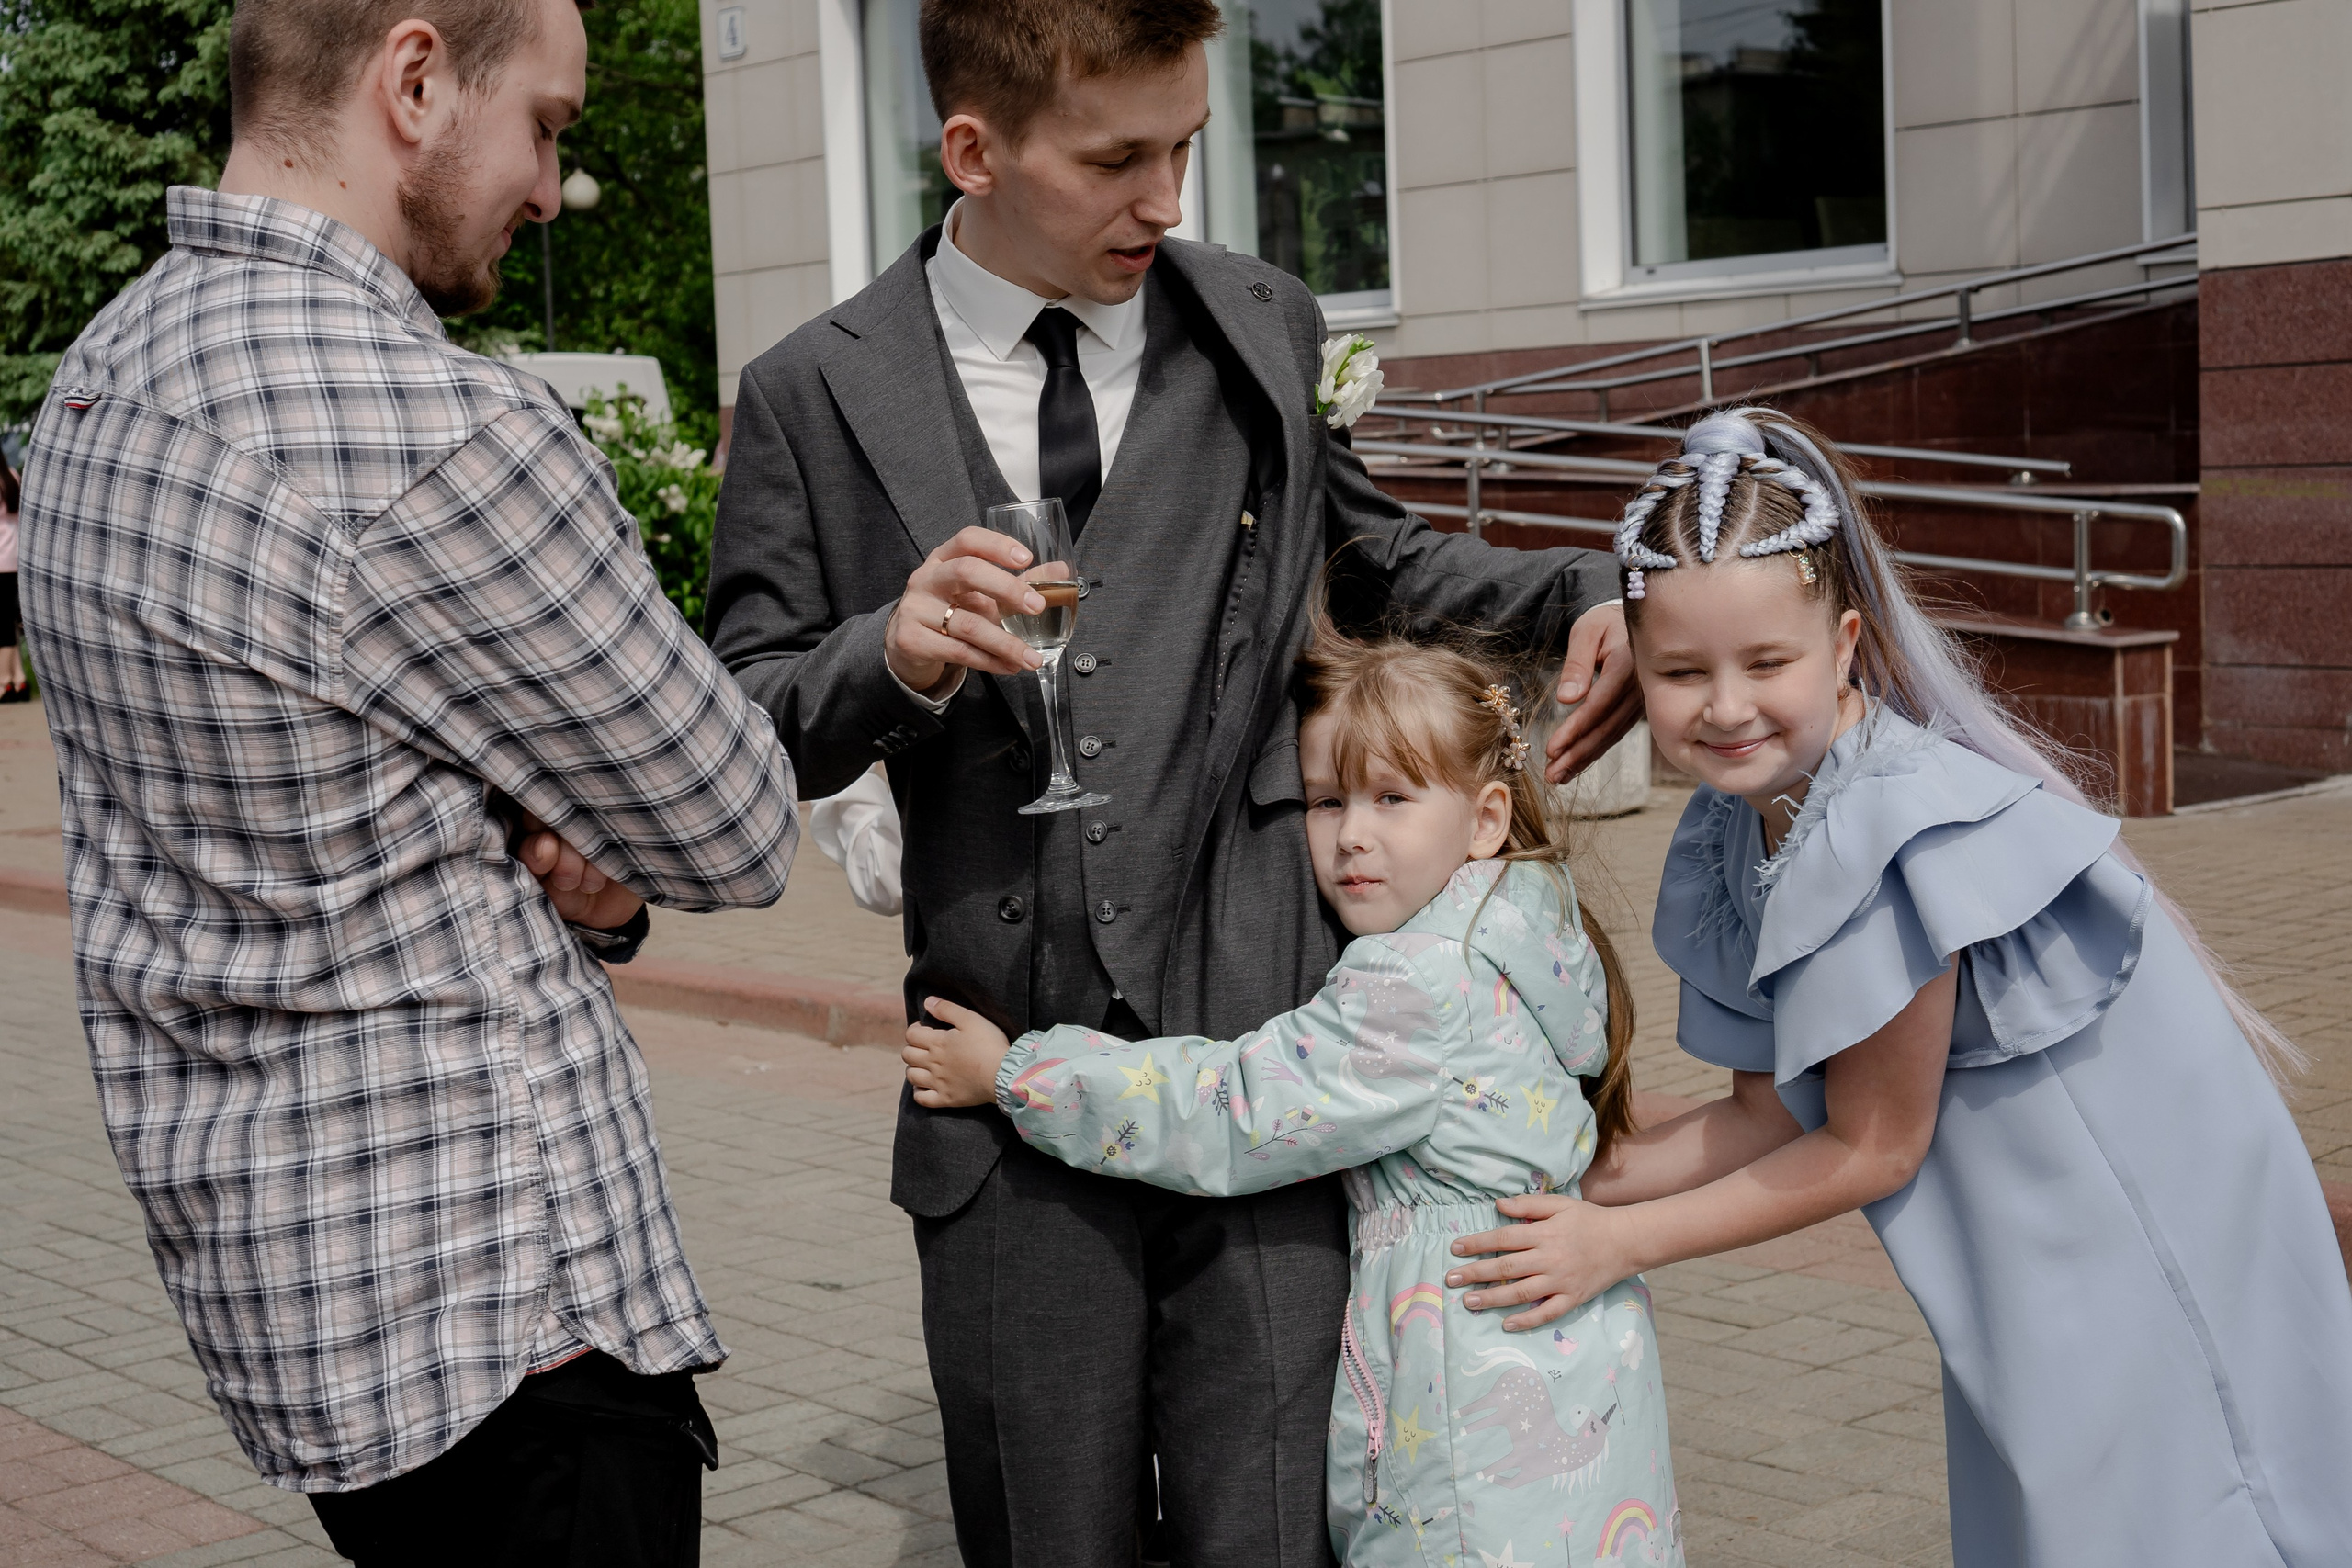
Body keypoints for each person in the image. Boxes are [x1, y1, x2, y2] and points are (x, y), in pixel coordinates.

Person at [702, 1, 1640, 1557]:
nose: (1169, 199)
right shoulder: (813, 388)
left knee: (1270, 1531)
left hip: (1274, 1052)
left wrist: (1585, 588)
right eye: (1118, 157)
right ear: (975, 149)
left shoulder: (1256, 320)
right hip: (1003, 1094)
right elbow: (746, 713)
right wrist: (898, 651)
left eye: (1187, 146)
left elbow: (1375, 559)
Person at [14, 0, 798, 1562]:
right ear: (417, 78)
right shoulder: (433, 427)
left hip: (295, 1297)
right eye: (550, 126)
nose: (554, 182)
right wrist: (597, 852)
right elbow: (740, 818)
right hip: (508, 1322)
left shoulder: (100, 380)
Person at [1441, 409, 2352, 1564]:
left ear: (1844, 642)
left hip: (2133, 1222)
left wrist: (1616, 1244)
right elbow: (1763, 1119)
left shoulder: (1883, 824)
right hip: (2019, 1248)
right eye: (1681, 671)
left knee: (2171, 1507)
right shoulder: (1744, 823)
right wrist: (1522, 1176)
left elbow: (1871, 1150)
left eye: (1765, 663)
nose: (1724, 708)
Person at [902, 632, 1681, 1566]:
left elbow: (1231, 1109)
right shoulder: (1530, 933)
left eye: (1392, 798)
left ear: (1484, 819)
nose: (1354, 833)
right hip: (1578, 1380)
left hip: (1469, 1407)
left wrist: (1016, 1074)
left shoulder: (1414, 985)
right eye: (1324, 801)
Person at [0, 460, 22, 702]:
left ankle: (3, 681)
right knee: (9, 621)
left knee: (3, 625)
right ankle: (19, 680)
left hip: (0, 562)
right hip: (14, 558)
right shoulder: (12, 476)